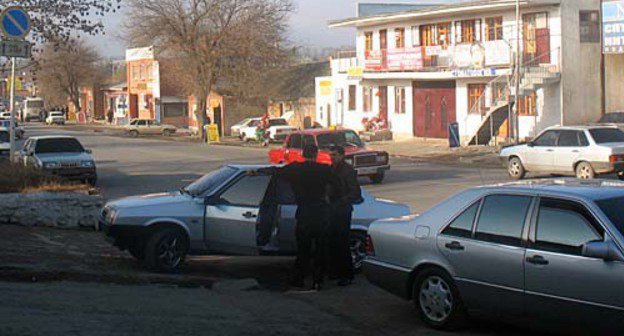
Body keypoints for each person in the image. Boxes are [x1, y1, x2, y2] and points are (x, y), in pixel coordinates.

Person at [256, 144, 335, 290]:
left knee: (303, 249)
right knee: (321, 248)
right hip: (321, 213)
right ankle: (318, 281)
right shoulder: (324, 170)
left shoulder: (295, 169)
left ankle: (299, 279)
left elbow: (276, 171)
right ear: (316, 154)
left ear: (303, 154)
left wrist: (255, 172)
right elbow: (337, 185)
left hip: (304, 213)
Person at [328, 145, 362, 286]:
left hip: (342, 211)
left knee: (342, 243)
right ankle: (336, 272)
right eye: (331, 155)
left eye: (335, 155)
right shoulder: (331, 168)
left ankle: (347, 275)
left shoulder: (347, 171)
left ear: (342, 155)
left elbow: (355, 193)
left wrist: (340, 201)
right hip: (332, 210)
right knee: (333, 243)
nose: (332, 157)